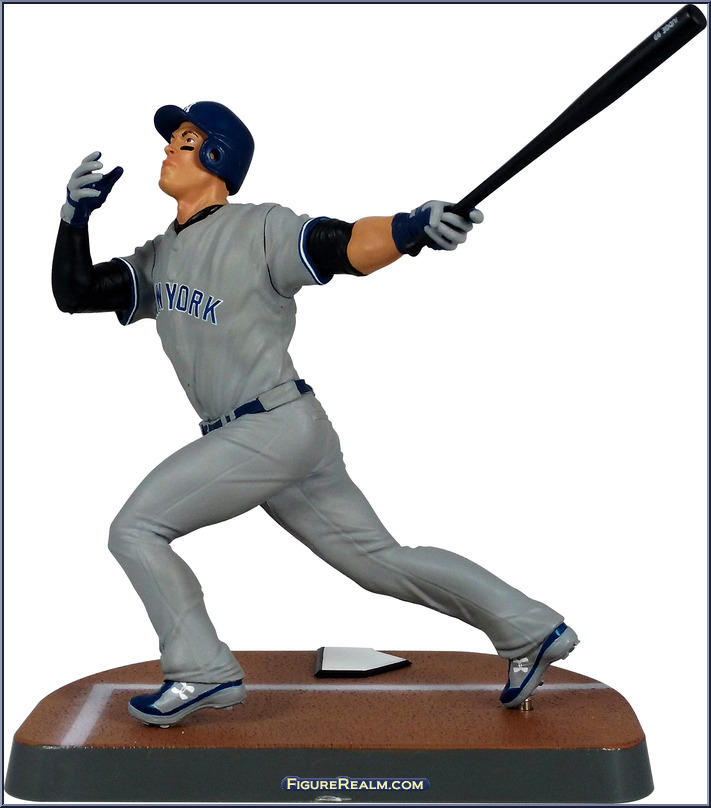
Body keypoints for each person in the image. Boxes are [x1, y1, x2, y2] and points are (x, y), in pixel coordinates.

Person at [52, 101, 578, 727]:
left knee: (136, 530)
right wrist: (73, 220)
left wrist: (410, 228)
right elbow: (75, 293)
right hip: (280, 434)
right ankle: (531, 629)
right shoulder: (162, 254)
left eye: (185, 140)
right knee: (378, 562)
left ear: (217, 156)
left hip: (269, 426)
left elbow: (340, 245)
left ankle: (201, 670)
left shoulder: (260, 226)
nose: (169, 148)